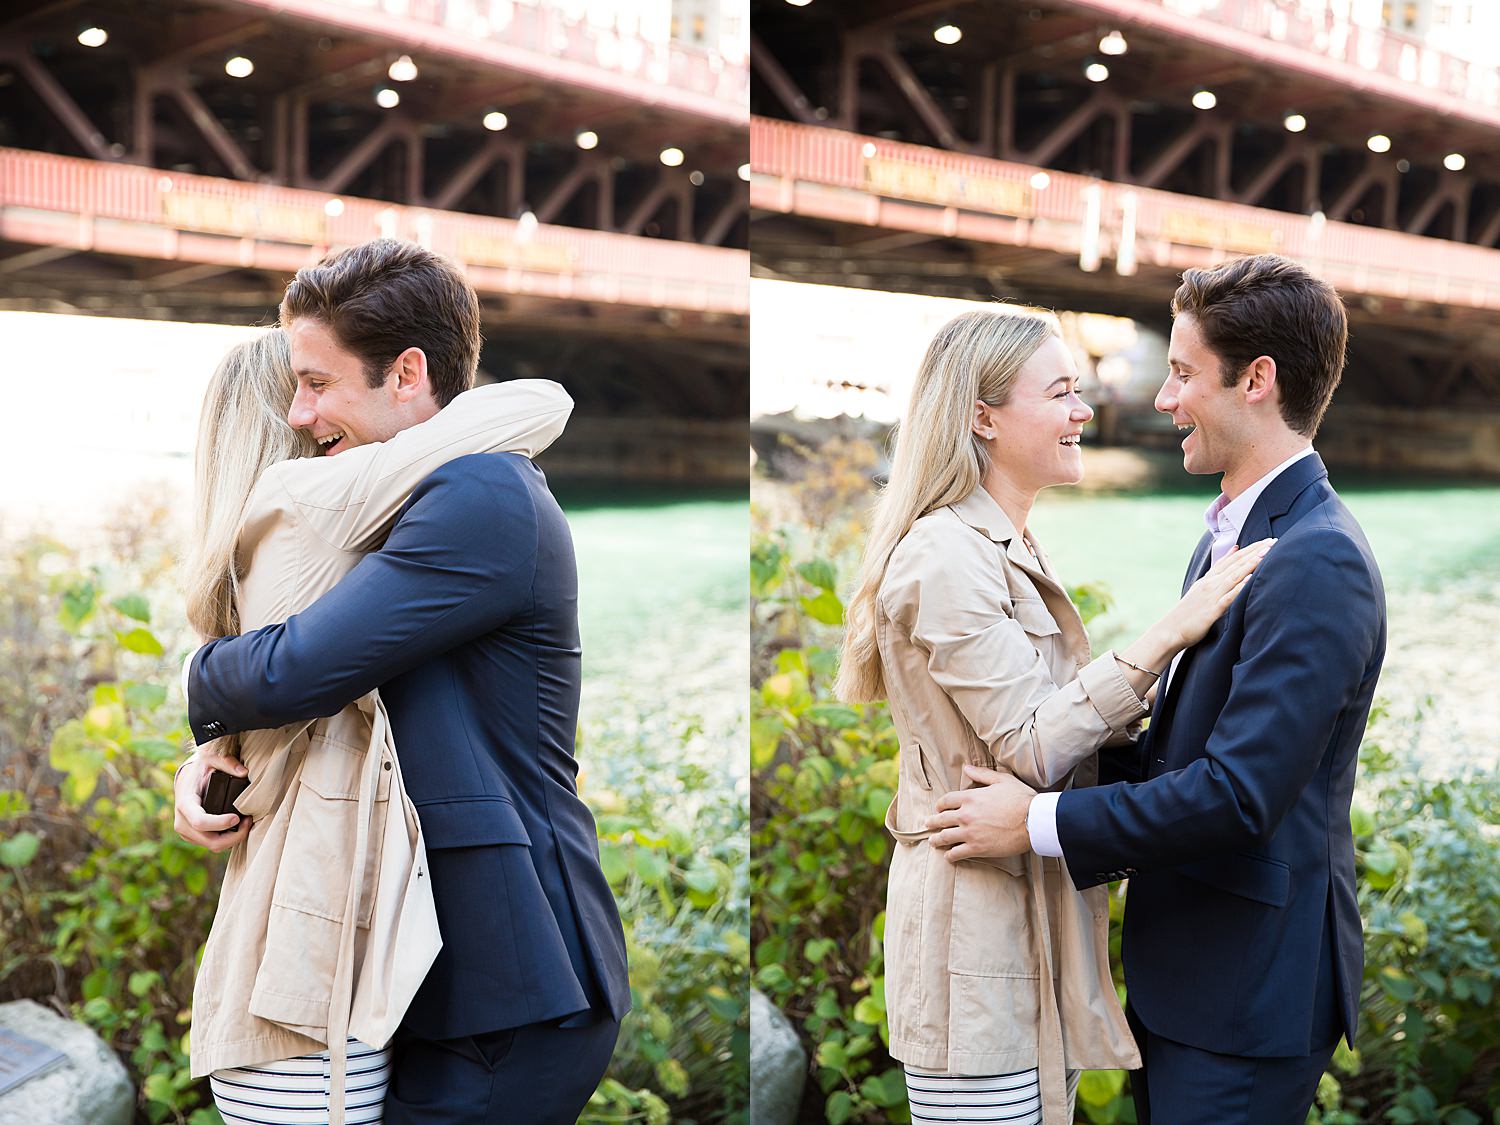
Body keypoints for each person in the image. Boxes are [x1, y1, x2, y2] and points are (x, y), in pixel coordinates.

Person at [174, 238, 631, 1124]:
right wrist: (211, 758)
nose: (300, 413)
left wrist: (192, 676)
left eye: (316, 382)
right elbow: (331, 702)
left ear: (408, 371)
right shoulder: (407, 495)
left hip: (515, 969)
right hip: (438, 963)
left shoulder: (482, 497)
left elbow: (297, 665)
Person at [926, 255, 1386, 1125]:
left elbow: (1238, 792)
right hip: (1197, 979)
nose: (1162, 399)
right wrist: (1038, 752)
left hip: (1247, 993)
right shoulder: (1233, 534)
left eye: (1181, 373)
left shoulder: (1318, 556)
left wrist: (1031, 822)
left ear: (1256, 380)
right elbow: (1185, 747)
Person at [835, 307, 1272, 1125]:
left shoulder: (1007, 543)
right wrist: (1169, 636)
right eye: (1063, 393)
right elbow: (1033, 744)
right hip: (977, 960)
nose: (1086, 412)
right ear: (982, 416)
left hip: (1026, 941)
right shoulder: (944, 553)